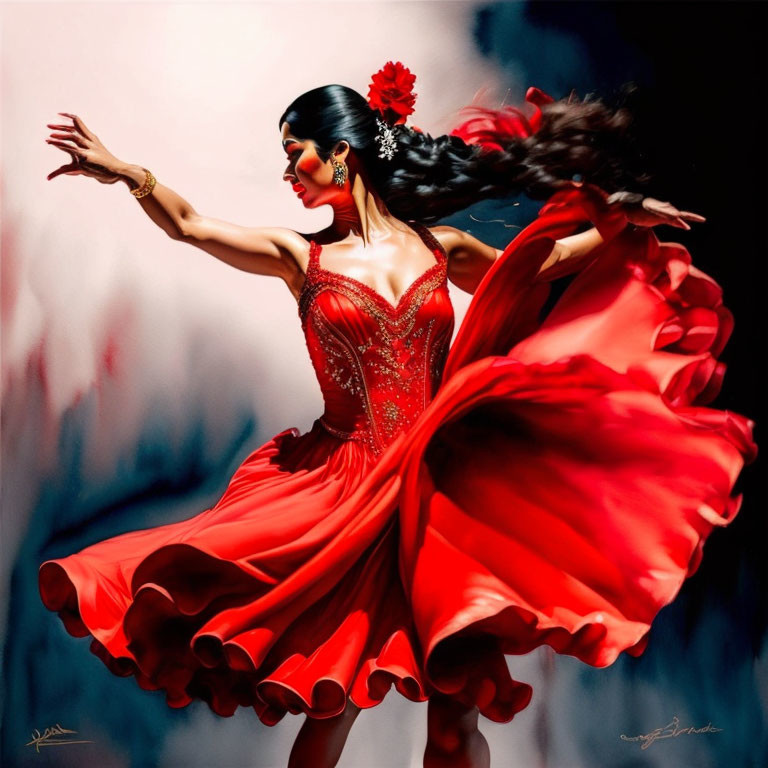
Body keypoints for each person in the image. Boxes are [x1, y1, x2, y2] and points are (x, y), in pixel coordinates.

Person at [40, 61, 757, 768]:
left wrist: (619, 222)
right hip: (347, 496)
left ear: (342, 153)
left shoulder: (439, 248)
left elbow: (540, 266)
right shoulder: (302, 256)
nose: (289, 173)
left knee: (455, 716)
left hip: (439, 497)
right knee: (329, 712)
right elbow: (191, 226)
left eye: (297, 154)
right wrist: (128, 173)